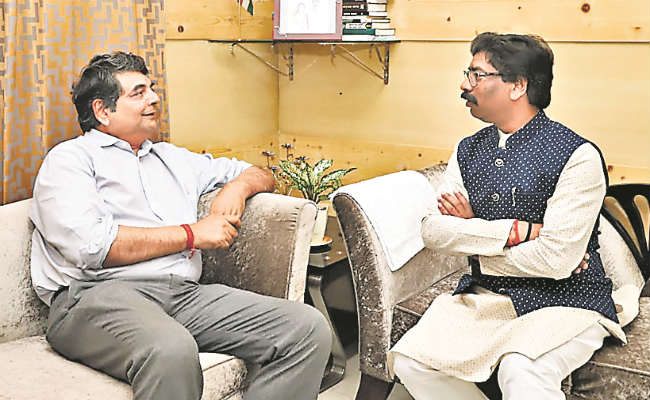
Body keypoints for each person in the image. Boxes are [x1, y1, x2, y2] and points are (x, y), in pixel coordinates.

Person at [29, 51, 331, 400]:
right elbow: (92, 246)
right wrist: (192, 234)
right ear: (102, 110)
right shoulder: (70, 160)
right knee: (170, 350)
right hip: (96, 296)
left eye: (151, 88)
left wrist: (237, 189)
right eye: (138, 93)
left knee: (306, 329)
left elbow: (260, 173)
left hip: (183, 294)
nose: (154, 98)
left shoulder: (172, 158)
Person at [389, 33, 629, 400]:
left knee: (521, 369)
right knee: (412, 362)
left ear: (518, 86)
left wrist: (474, 243)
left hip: (569, 298)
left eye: (477, 75)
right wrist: (520, 231)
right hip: (487, 297)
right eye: (468, 73)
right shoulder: (468, 150)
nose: (464, 85)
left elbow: (556, 261)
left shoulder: (577, 156)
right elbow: (433, 231)